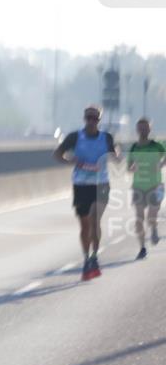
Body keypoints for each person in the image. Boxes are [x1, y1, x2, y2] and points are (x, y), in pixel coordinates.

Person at [53, 105, 121, 280]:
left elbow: (116, 154)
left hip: (101, 184)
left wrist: (117, 155)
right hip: (81, 185)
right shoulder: (75, 137)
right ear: (84, 119)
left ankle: (94, 257)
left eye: (94, 118)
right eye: (88, 117)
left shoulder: (106, 137)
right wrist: (71, 161)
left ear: (99, 120)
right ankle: (86, 258)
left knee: (95, 220)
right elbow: (58, 154)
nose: (91, 121)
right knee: (85, 225)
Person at [127, 117, 165, 260]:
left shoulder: (157, 145)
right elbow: (128, 167)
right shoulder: (134, 147)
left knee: (151, 216)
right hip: (138, 187)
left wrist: (161, 164)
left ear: (150, 129)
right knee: (139, 219)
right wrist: (132, 168)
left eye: (146, 128)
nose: (143, 130)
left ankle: (153, 228)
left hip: (156, 186)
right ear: (137, 130)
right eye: (141, 128)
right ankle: (142, 248)